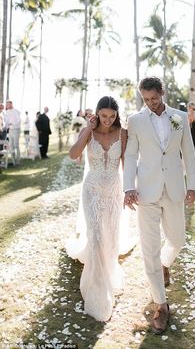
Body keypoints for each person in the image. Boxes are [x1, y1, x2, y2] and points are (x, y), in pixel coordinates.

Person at [123, 76, 195, 334]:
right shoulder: (135, 121)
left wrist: (193, 184)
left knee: (177, 240)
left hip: (175, 188)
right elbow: (131, 154)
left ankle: (165, 264)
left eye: (154, 98)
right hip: (146, 190)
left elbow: (188, 152)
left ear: (162, 93)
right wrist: (128, 187)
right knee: (149, 249)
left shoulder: (179, 116)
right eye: (146, 100)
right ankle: (161, 305)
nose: (151, 104)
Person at [66, 96, 131, 322]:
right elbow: (73, 154)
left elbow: (125, 163)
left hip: (114, 190)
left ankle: (108, 272)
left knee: (110, 237)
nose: (107, 120)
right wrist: (87, 130)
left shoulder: (122, 133)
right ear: (97, 113)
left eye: (111, 116)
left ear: (116, 115)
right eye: (103, 115)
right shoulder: (90, 132)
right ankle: (96, 291)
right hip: (92, 190)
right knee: (95, 236)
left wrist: (129, 191)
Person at [4, 100, 21, 165]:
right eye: (6, 105)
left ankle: (18, 160)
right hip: (10, 130)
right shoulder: (7, 112)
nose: (7, 106)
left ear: (11, 104)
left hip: (16, 129)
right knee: (11, 146)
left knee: (16, 145)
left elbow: (19, 121)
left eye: (8, 105)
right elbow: (7, 121)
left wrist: (12, 124)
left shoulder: (16, 111)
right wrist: (7, 125)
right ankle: (13, 161)